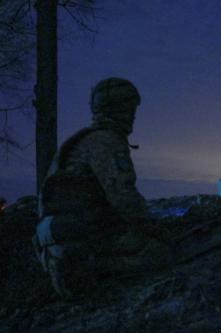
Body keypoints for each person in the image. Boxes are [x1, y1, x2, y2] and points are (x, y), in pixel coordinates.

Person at [33, 77, 172, 299]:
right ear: (118, 108)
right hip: (82, 241)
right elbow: (123, 197)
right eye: (129, 108)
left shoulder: (77, 143)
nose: (132, 116)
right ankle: (95, 270)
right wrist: (155, 228)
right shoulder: (106, 141)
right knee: (162, 253)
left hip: (57, 243)